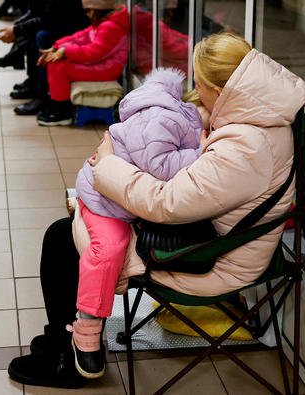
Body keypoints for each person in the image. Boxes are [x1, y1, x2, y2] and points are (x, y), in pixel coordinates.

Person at [7, 32, 305, 389]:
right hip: (217, 230)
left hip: (209, 257)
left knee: (63, 238)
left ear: (222, 89)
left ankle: (68, 357)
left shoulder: (246, 148)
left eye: (201, 86)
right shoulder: (261, 114)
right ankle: (65, 337)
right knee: (77, 229)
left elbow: (165, 203)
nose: (197, 93)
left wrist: (107, 166)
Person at [69, 67, 204, 379]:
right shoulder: (168, 119)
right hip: (105, 200)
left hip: (120, 195)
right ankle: (86, 328)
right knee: (108, 251)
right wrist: (201, 153)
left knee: (117, 252)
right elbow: (157, 165)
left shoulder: (168, 114)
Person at [36, 1, 129, 126]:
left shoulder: (111, 27)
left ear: (98, 10)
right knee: (56, 62)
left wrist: (65, 51)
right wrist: (56, 47)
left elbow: (93, 53)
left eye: (89, 11)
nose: (87, 14)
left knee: (59, 67)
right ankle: (58, 104)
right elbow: (81, 36)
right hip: (103, 65)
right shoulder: (104, 23)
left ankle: (62, 112)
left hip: (108, 69)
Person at [0, 0, 88, 111]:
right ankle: (33, 81)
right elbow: (36, 12)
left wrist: (17, 30)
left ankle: (43, 93)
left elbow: (50, 18)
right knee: (34, 32)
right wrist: (16, 27)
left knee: (42, 35)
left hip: (75, 22)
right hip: (64, 19)